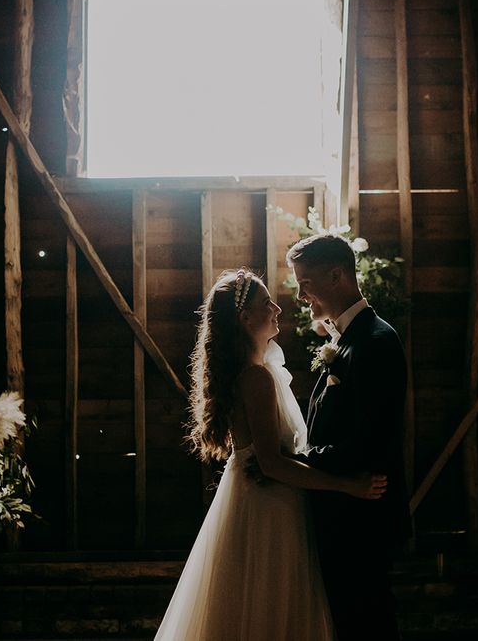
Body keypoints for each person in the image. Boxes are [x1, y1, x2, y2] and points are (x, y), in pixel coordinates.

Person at [154, 269, 387, 640]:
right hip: (269, 509)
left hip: (259, 500)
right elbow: (272, 463)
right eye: (267, 303)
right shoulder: (256, 378)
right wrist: (347, 485)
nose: (277, 308)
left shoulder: (256, 373)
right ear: (245, 318)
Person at [287, 233, 412, 640]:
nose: (302, 296)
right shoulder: (345, 338)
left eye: (305, 283)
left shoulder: (375, 341)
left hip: (361, 514)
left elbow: (367, 440)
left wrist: (299, 460)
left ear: (337, 274)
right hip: (343, 508)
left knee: (367, 621)